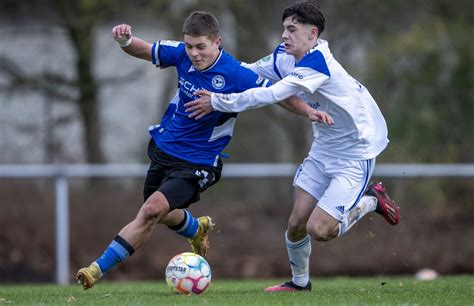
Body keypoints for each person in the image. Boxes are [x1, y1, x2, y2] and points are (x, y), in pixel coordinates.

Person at [76, 10, 332, 290]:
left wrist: (309, 111)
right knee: (156, 212)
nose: (195, 54)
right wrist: (125, 41)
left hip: (199, 161)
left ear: (217, 43)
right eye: (190, 46)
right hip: (164, 149)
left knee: (151, 210)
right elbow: (146, 50)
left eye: (201, 47)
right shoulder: (181, 54)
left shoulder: (235, 73)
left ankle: (95, 270)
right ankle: (196, 228)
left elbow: (279, 96)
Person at [185, 1, 400, 292]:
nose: (284, 35)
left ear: (312, 34)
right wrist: (207, 60)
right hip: (324, 146)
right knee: (297, 222)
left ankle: (371, 199)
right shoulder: (284, 56)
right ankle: (300, 284)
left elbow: (270, 94)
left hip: (355, 153)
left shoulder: (317, 63)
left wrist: (217, 101)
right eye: (284, 28)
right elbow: (246, 73)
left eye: (292, 29)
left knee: (320, 229)